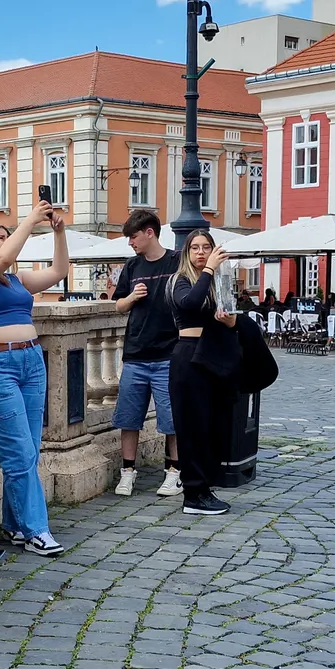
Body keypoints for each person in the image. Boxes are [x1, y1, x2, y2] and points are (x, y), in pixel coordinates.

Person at [0, 203, 70, 556]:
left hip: (32, 361)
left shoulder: (17, 281)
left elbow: (59, 271)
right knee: (20, 451)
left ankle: (13, 524)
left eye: (8, 237)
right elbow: (5, 260)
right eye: (1, 238)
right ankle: (37, 529)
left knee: (29, 449)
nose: (8, 242)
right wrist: (29, 220)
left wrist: (58, 232)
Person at [111, 209, 182, 500]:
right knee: (128, 418)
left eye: (133, 236)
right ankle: (127, 472)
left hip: (168, 354)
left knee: (171, 419)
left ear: (149, 232)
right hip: (136, 355)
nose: (130, 242)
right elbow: (118, 306)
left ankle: (174, 473)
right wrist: (131, 297)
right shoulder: (132, 267)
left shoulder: (176, 261)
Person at [168, 231, 236, 517]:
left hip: (211, 354)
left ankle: (204, 487)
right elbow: (189, 304)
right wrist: (209, 268)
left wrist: (230, 320)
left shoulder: (216, 282)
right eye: (195, 248)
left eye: (206, 247)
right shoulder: (179, 280)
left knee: (210, 425)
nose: (200, 252)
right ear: (187, 252)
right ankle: (193, 493)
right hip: (188, 355)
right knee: (191, 426)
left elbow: (230, 318)